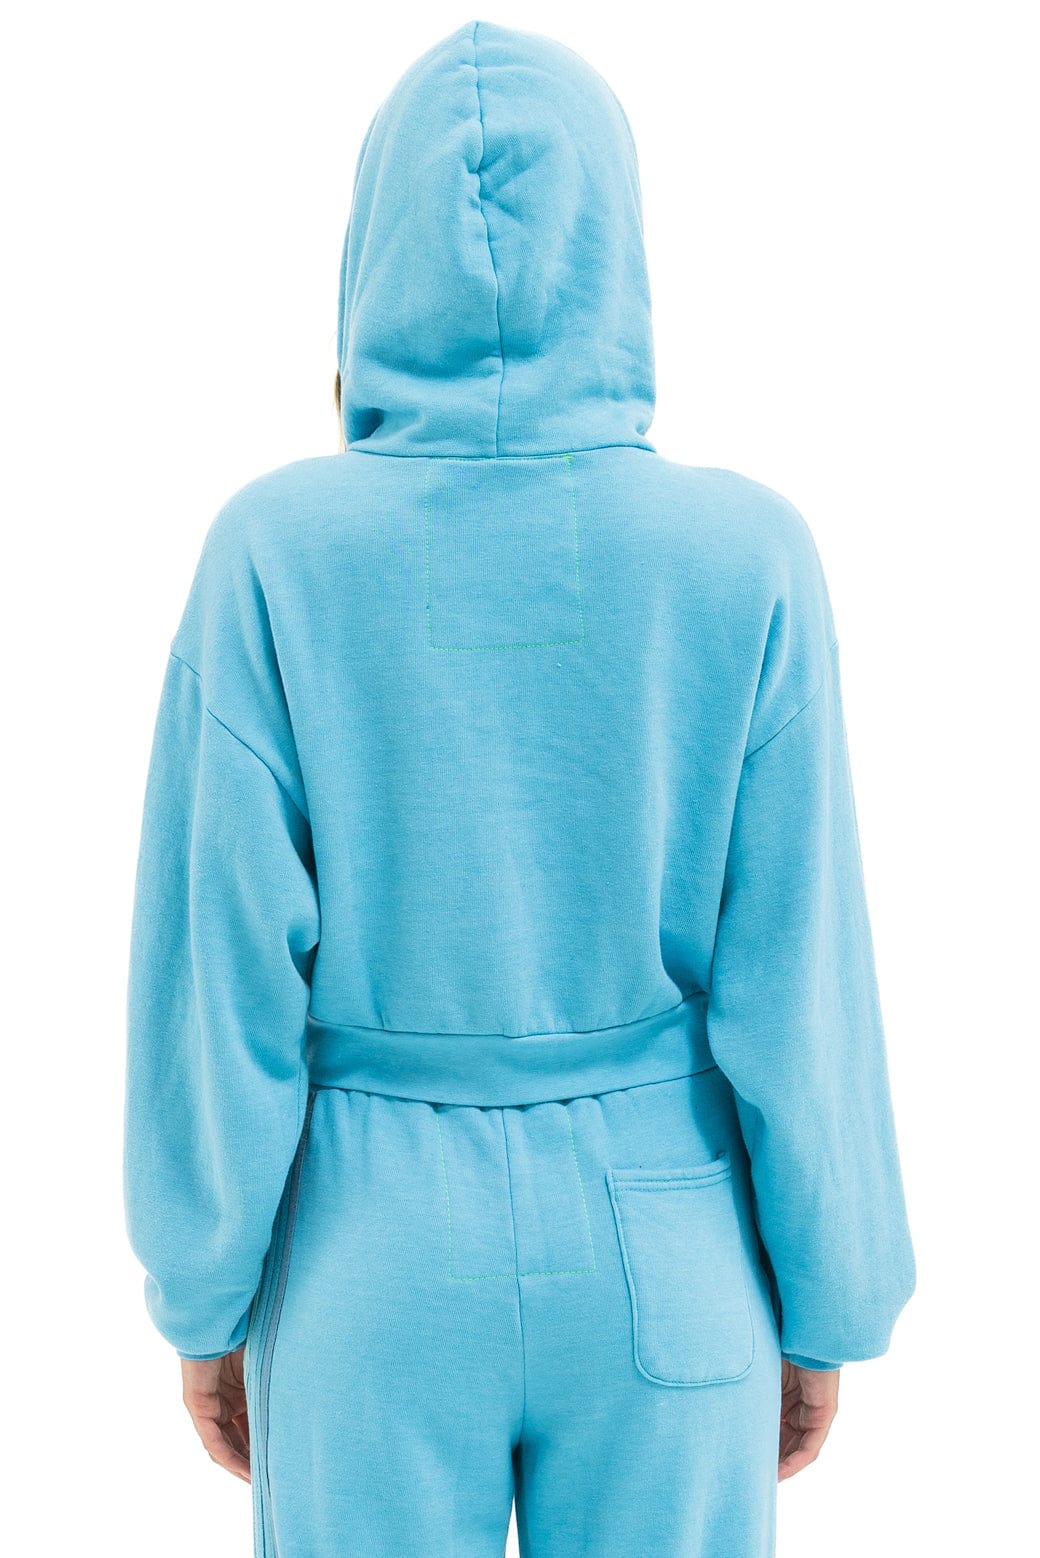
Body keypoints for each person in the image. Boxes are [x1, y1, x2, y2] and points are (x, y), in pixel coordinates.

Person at [123, 18, 916, 1558]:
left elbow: (216, 974)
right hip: (667, 1233)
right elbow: (801, 976)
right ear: (619, 244)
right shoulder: (747, 556)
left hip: (366, 1254)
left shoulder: (274, 553)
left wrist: (203, 1288)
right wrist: (831, 1294)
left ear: (371, 247)